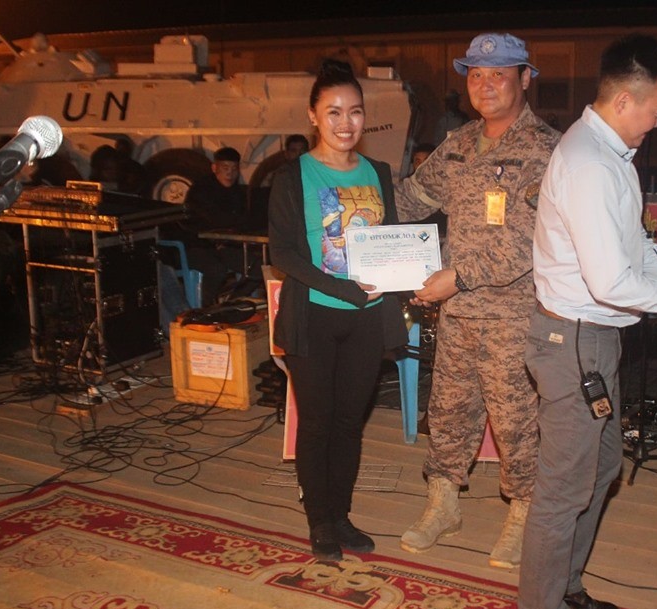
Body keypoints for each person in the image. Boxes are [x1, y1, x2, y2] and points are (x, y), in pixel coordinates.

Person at [516, 35, 657, 609]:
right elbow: (611, 283)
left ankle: (565, 582)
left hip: (593, 340)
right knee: (564, 486)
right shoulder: (591, 166)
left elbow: (632, 251)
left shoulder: (610, 156)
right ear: (626, 100)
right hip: (575, 341)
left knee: (602, 469)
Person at [394, 33, 561, 569]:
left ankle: (524, 516)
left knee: (516, 421)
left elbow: (530, 240)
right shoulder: (459, 144)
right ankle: (443, 504)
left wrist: (458, 277)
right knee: (448, 413)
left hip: (515, 315)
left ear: (525, 78)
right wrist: (353, 201)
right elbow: (411, 199)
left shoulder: (548, 150)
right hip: (458, 313)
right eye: (476, 75)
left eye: (499, 74)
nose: (485, 85)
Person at [268, 59, 408, 562]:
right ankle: (320, 522)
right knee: (318, 423)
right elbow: (283, 252)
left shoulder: (379, 173)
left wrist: (408, 274)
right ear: (313, 116)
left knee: (350, 423)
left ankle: (342, 516)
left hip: (367, 319)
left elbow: (390, 241)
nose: (345, 123)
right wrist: (342, 289)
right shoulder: (293, 176)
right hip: (316, 316)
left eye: (354, 111)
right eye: (333, 112)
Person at [179, 146, 250, 303]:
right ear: (214, 168)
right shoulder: (201, 190)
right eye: (225, 168)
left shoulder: (238, 192)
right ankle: (206, 308)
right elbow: (213, 220)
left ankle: (233, 304)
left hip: (226, 245)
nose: (230, 173)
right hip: (197, 246)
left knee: (255, 267)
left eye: (234, 169)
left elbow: (244, 219)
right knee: (216, 270)